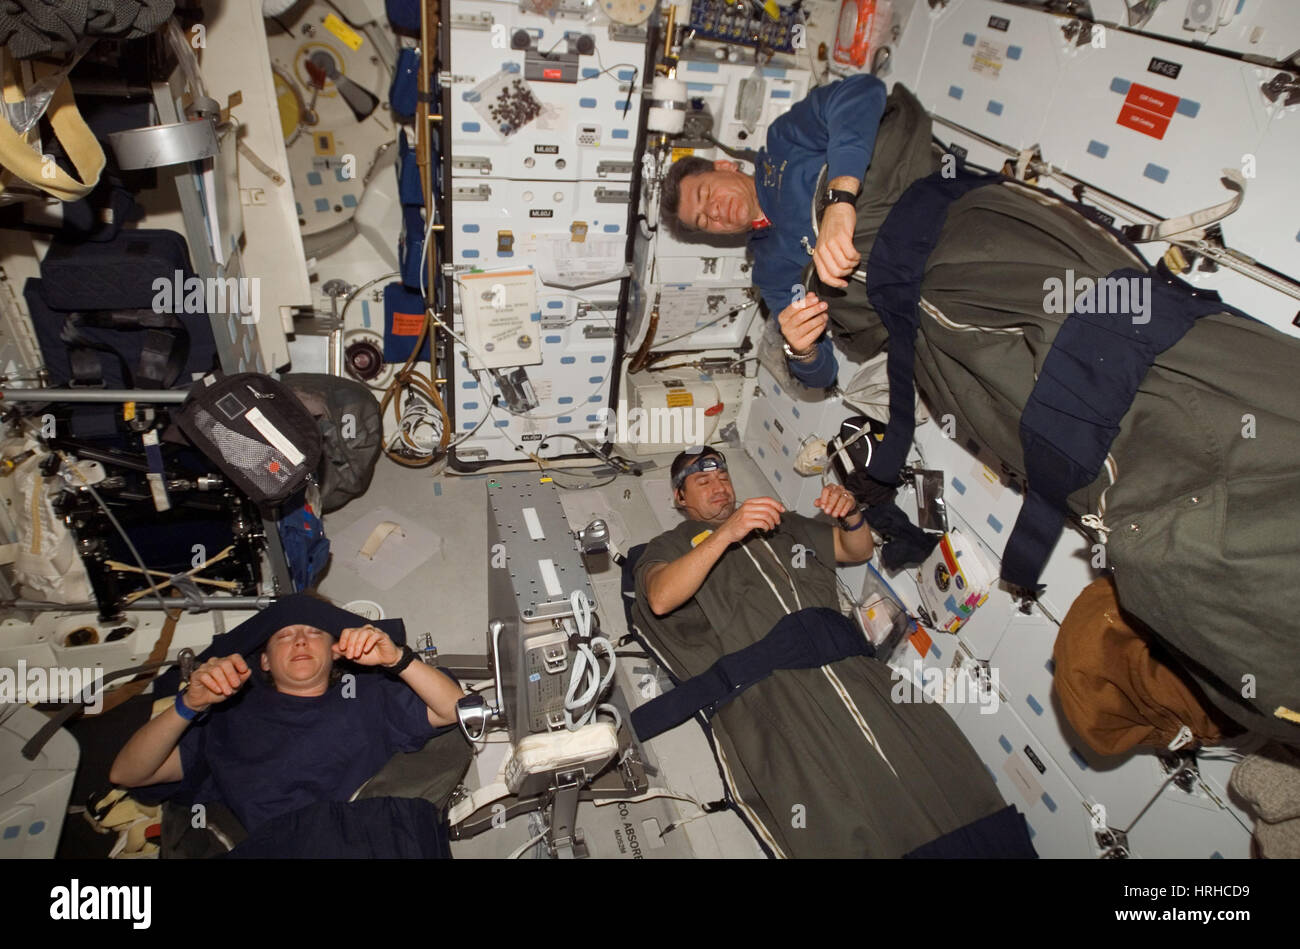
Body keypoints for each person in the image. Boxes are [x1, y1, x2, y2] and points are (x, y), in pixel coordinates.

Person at [631, 447, 1028, 858]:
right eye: (703, 482)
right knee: (839, 812)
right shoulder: (670, 546)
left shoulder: (780, 523)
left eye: (723, 477)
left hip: (853, 666)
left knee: (935, 771)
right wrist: (727, 533)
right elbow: (660, 597)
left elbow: (855, 550)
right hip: (773, 693)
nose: (719, 486)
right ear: (680, 498)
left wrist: (853, 514)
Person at [110, 599, 466, 850]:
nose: (298, 640)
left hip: (363, 839)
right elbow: (128, 774)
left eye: (314, 633)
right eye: (283, 635)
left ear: (336, 651)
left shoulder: (369, 695)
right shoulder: (227, 717)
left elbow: (454, 708)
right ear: (263, 660)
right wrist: (188, 704)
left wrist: (397, 659)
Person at [659, 73, 888, 388]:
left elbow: (863, 90)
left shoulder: (784, 143)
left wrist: (839, 198)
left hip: (932, 216)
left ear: (725, 167)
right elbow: (824, 376)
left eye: (706, 194)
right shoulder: (772, 272)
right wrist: (801, 350)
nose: (714, 212)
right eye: (704, 221)